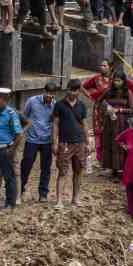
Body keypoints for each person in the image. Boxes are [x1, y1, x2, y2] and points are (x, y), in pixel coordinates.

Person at [51, 78, 90, 207]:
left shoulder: (82, 105)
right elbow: (55, 124)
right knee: (62, 171)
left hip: (80, 143)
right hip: (65, 143)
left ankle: (75, 198)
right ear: (66, 89)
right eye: (70, 90)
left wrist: (88, 142)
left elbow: (84, 124)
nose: (72, 93)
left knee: (78, 171)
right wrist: (55, 142)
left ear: (79, 91)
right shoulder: (59, 104)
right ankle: (59, 200)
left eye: (75, 91)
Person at [19, 82, 57, 204]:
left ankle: (43, 194)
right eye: (47, 94)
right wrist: (24, 132)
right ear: (43, 91)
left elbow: (55, 122)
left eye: (52, 95)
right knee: (26, 165)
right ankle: (21, 189)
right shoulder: (32, 101)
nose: (49, 97)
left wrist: (54, 141)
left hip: (47, 141)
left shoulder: (55, 105)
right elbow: (24, 116)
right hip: (32, 139)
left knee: (46, 168)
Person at [0, 88, 23, 207]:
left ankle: (10, 202)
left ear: (5, 100)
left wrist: (11, 150)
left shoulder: (11, 115)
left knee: (9, 177)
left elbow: (19, 134)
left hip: (5, 149)